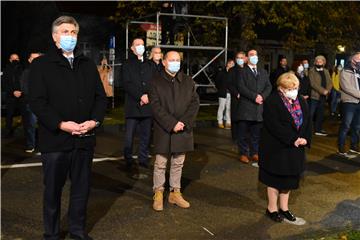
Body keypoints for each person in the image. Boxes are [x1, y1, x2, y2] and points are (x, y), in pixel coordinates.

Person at [28, 16, 107, 240]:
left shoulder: (87, 64)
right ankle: (51, 234)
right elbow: (37, 102)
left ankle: (77, 230)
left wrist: (94, 121)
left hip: (84, 138)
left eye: (73, 32)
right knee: (53, 191)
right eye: (64, 31)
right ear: (55, 37)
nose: (69, 36)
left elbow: (100, 99)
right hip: (55, 141)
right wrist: (61, 124)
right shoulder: (42, 65)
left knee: (81, 190)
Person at [149, 50, 199, 211]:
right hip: (164, 128)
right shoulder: (155, 81)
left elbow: (194, 104)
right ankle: (158, 192)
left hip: (183, 129)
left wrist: (183, 122)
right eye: (172, 60)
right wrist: (171, 123)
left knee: (178, 163)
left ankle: (175, 193)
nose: (175, 62)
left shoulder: (188, 81)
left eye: (178, 60)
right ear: (164, 62)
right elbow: (155, 107)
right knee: (160, 163)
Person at [259, 72, 312, 225]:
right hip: (277, 148)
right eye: (289, 88)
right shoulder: (272, 101)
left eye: (295, 87)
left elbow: (307, 121)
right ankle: (272, 209)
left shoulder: (300, 100)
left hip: (295, 149)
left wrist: (305, 138)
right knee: (275, 180)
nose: (293, 91)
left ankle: (284, 208)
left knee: (289, 181)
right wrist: (293, 139)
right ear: (281, 88)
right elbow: (274, 126)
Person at [122, 38, 156, 169]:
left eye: (142, 44)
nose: (140, 46)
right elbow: (126, 83)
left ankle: (143, 158)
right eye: (137, 44)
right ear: (132, 48)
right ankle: (128, 158)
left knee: (146, 135)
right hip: (132, 106)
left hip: (147, 106)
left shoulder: (150, 64)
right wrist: (140, 96)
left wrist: (148, 96)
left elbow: (154, 83)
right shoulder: (127, 64)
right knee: (129, 135)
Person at [236, 49, 272, 163]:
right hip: (246, 107)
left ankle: (255, 153)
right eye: (251, 55)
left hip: (258, 108)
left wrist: (262, 96)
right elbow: (241, 87)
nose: (254, 57)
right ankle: (243, 153)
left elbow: (269, 86)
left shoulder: (263, 72)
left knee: (256, 134)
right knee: (243, 133)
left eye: (255, 55)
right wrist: (254, 96)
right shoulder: (242, 72)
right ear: (247, 58)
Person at [337, 52, 360, 155]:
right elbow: (347, 87)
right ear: (352, 60)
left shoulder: (359, 71)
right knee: (346, 125)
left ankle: (353, 146)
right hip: (349, 102)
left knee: (357, 126)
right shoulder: (344, 71)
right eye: (358, 59)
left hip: (359, 102)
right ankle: (341, 146)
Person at [20, 52, 42, 153]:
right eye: (33, 58)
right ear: (29, 60)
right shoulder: (26, 72)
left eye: (37, 58)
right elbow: (24, 87)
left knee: (46, 125)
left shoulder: (46, 71)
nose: (35, 60)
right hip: (31, 103)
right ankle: (31, 145)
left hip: (45, 104)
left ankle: (44, 145)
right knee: (31, 125)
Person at [308, 55, 332, 136]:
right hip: (314, 96)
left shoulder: (326, 71)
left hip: (323, 97)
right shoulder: (312, 71)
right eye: (317, 61)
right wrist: (323, 91)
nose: (319, 63)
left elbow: (330, 82)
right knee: (311, 114)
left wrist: (327, 91)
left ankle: (318, 130)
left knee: (320, 114)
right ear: (315, 62)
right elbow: (313, 83)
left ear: (324, 62)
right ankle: (307, 130)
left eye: (320, 61)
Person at [3, 53, 25, 138]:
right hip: (10, 96)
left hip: (22, 95)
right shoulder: (6, 70)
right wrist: (13, 92)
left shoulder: (22, 69)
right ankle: (8, 131)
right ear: (10, 60)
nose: (15, 60)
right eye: (13, 59)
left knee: (25, 114)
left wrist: (21, 92)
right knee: (9, 115)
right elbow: (4, 84)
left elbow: (25, 82)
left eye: (17, 59)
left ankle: (26, 132)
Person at [227, 51, 247, 143]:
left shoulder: (247, 69)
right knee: (235, 118)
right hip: (236, 97)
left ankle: (245, 136)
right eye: (238, 58)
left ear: (245, 59)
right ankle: (235, 137)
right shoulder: (232, 70)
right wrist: (237, 94)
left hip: (247, 98)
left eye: (241, 57)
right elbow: (229, 84)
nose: (240, 59)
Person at [215, 59, 234, 129]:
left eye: (233, 64)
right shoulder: (222, 73)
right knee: (221, 107)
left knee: (229, 108)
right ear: (227, 64)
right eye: (231, 63)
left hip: (230, 93)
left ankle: (228, 122)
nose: (232, 65)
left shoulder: (233, 73)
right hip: (222, 93)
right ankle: (220, 122)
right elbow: (217, 82)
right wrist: (220, 89)